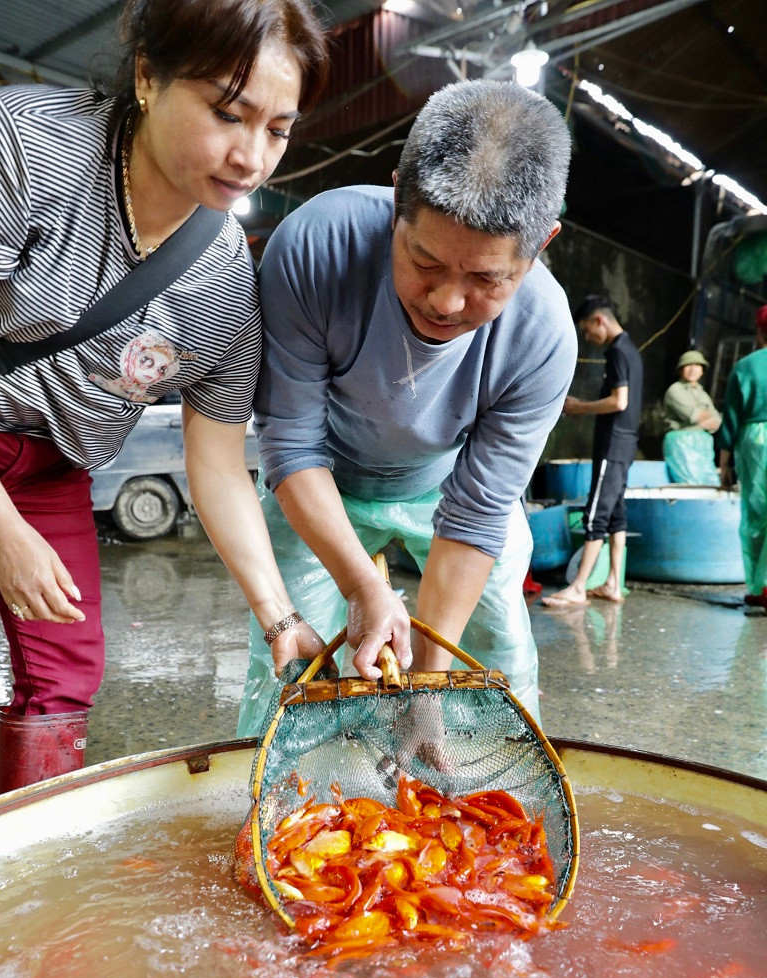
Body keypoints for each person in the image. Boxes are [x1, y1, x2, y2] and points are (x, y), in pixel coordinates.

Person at [0, 0, 329, 796]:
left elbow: (220, 466)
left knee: (65, 672)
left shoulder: (228, 282)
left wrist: (278, 617)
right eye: (226, 113)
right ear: (146, 77)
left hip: (53, 467)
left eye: (277, 129)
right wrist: (1, 531)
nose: (249, 157)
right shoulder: (21, 144)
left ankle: (20, 870)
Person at [236, 79, 577, 736]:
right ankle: (278, 809)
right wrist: (364, 586)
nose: (446, 302)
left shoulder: (542, 335)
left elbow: (477, 513)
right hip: (319, 482)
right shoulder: (317, 246)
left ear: (540, 247)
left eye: (485, 280)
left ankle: (484, 802)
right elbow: (291, 442)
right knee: (288, 666)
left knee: (495, 665)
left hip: (448, 488)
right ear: (397, 198)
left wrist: (428, 682)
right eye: (423, 260)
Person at [542, 295, 642, 608]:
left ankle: (578, 587)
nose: (588, 338)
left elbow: (619, 401)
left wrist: (580, 407)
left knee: (595, 514)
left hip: (613, 444)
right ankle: (613, 582)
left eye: (587, 330)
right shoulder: (631, 350)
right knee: (615, 515)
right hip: (626, 443)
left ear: (600, 320)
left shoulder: (616, 352)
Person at [718, 305, 767, 610]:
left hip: (755, 442)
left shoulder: (746, 366)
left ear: (759, 331)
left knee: (756, 514)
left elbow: (731, 417)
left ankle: (758, 588)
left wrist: (724, 463)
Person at [662, 349, 721, 485]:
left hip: (703, 445)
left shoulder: (702, 393)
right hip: (681, 443)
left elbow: (716, 422)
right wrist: (705, 418)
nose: (693, 369)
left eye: (697, 365)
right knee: (689, 484)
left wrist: (706, 419)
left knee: (711, 485)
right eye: (689, 365)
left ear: (702, 370)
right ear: (681, 369)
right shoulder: (675, 390)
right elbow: (694, 415)